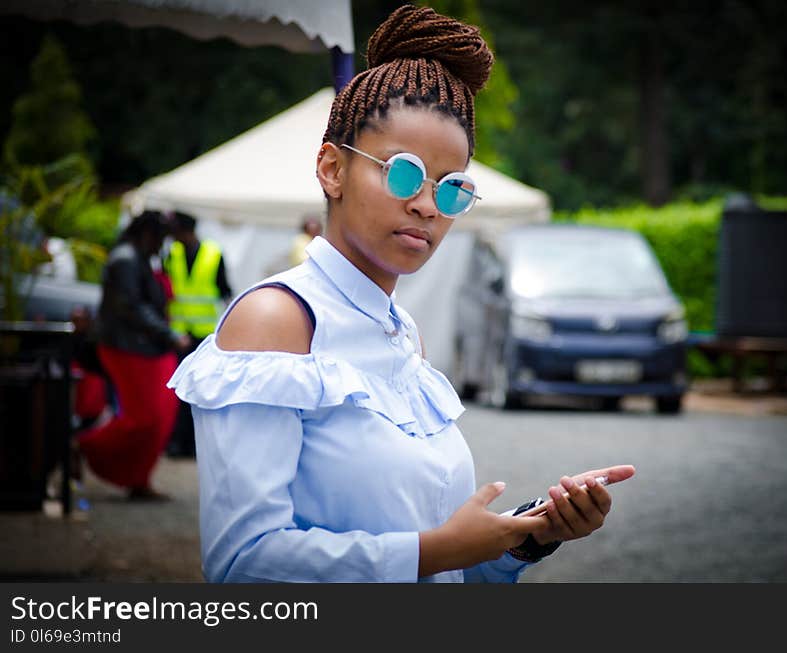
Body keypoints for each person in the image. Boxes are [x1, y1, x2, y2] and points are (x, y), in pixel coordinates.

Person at [169, 4, 634, 582]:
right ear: (332, 169)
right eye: (404, 172)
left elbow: (441, 563)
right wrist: (439, 551)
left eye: (452, 187)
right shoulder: (278, 321)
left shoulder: (400, 333)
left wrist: (525, 537)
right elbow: (243, 567)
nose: (426, 205)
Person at [76, 210, 191, 501]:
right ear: (148, 234)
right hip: (127, 347)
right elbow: (130, 307)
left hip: (144, 347)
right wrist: (169, 336)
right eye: (160, 239)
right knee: (144, 418)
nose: (161, 246)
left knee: (159, 415)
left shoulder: (135, 257)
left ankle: (139, 479)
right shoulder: (126, 259)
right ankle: (83, 447)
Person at [163, 211, 233, 457]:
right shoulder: (172, 254)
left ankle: (193, 444)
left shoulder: (213, 254)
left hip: (205, 335)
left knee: (200, 391)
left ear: (186, 231)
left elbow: (225, 291)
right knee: (177, 391)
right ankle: (177, 442)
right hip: (179, 333)